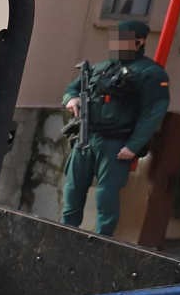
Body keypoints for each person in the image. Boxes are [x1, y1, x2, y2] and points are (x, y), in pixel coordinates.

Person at [60, 19, 170, 236]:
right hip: (86, 136)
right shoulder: (102, 67)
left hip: (116, 142)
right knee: (73, 188)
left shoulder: (151, 73)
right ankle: (65, 232)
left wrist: (133, 145)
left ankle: (103, 239)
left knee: (106, 194)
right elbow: (74, 87)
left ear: (139, 41)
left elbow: (153, 113)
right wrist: (71, 99)